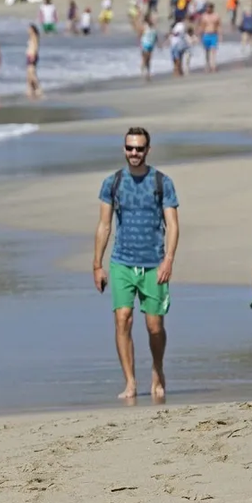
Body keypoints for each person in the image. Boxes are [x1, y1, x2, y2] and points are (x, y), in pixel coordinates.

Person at [93, 127, 180, 402]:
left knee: (154, 326)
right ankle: (130, 382)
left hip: (154, 263)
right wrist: (97, 264)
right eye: (130, 148)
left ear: (148, 150)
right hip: (121, 262)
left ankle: (157, 370)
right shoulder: (113, 183)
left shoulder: (162, 182)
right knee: (122, 319)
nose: (134, 153)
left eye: (139, 149)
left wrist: (168, 259)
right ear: (124, 149)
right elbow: (104, 225)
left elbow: (173, 225)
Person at [198, 2, 221, 73]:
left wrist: (220, 35)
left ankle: (213, 65)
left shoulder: (216, 16)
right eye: (207, 8)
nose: (208, 9)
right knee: (206, 52)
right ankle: (207, 65)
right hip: (206, 35)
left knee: (213, 51)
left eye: (209, 7)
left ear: (212, 8)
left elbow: (218, 26)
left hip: (213, 35)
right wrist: (199, 35)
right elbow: (201, 26)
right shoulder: (204, 16)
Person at [137, 14, 158, 81]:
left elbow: (155, 35)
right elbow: (140, 34)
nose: (152, 19)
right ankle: (142, 72)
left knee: (149, 59)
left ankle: (148, 72)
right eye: (150, 18)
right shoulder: (144, 26)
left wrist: (157, 43)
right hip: (145, 44)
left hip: (151, 44)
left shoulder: (153, 27)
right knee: (145, 59)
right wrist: (140, 43)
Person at [25, 24, 42, 99]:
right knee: (29, 74)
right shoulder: (31, 37)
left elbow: (35, 46)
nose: (28, 30)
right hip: (29, 55)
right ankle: (30, 89)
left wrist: (33, 55)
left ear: (32, 29)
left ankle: (38, 89)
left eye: (29, 29)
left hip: (32, 55)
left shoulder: (34, 36)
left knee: (32, 73)